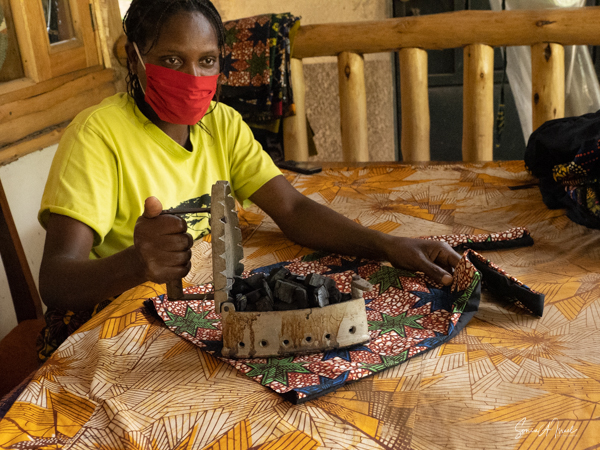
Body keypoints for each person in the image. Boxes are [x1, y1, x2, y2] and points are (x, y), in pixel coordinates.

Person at [37, 0, 461, 359]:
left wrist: (388, 245)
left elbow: (292, 209)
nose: (193, 77)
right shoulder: (97, 136)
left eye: (207, 61)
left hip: (199, 315)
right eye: (172, 60)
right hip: (119, 326)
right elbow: (56, 282)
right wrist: (136, 261)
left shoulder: (221, 124)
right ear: (135, 59)